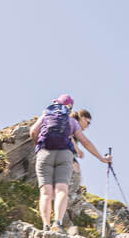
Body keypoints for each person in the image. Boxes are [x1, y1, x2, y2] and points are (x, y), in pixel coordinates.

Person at [30, 95, 110, 230]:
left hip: (44, 153)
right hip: (64, 154)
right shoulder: (71, 121)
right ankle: (58, 223)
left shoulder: (45, 115)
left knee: (45, 192)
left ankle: (46, 225)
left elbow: (33, 131)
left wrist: (38, 146)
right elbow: (85, 141)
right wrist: (102, 159)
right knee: (62, 190)